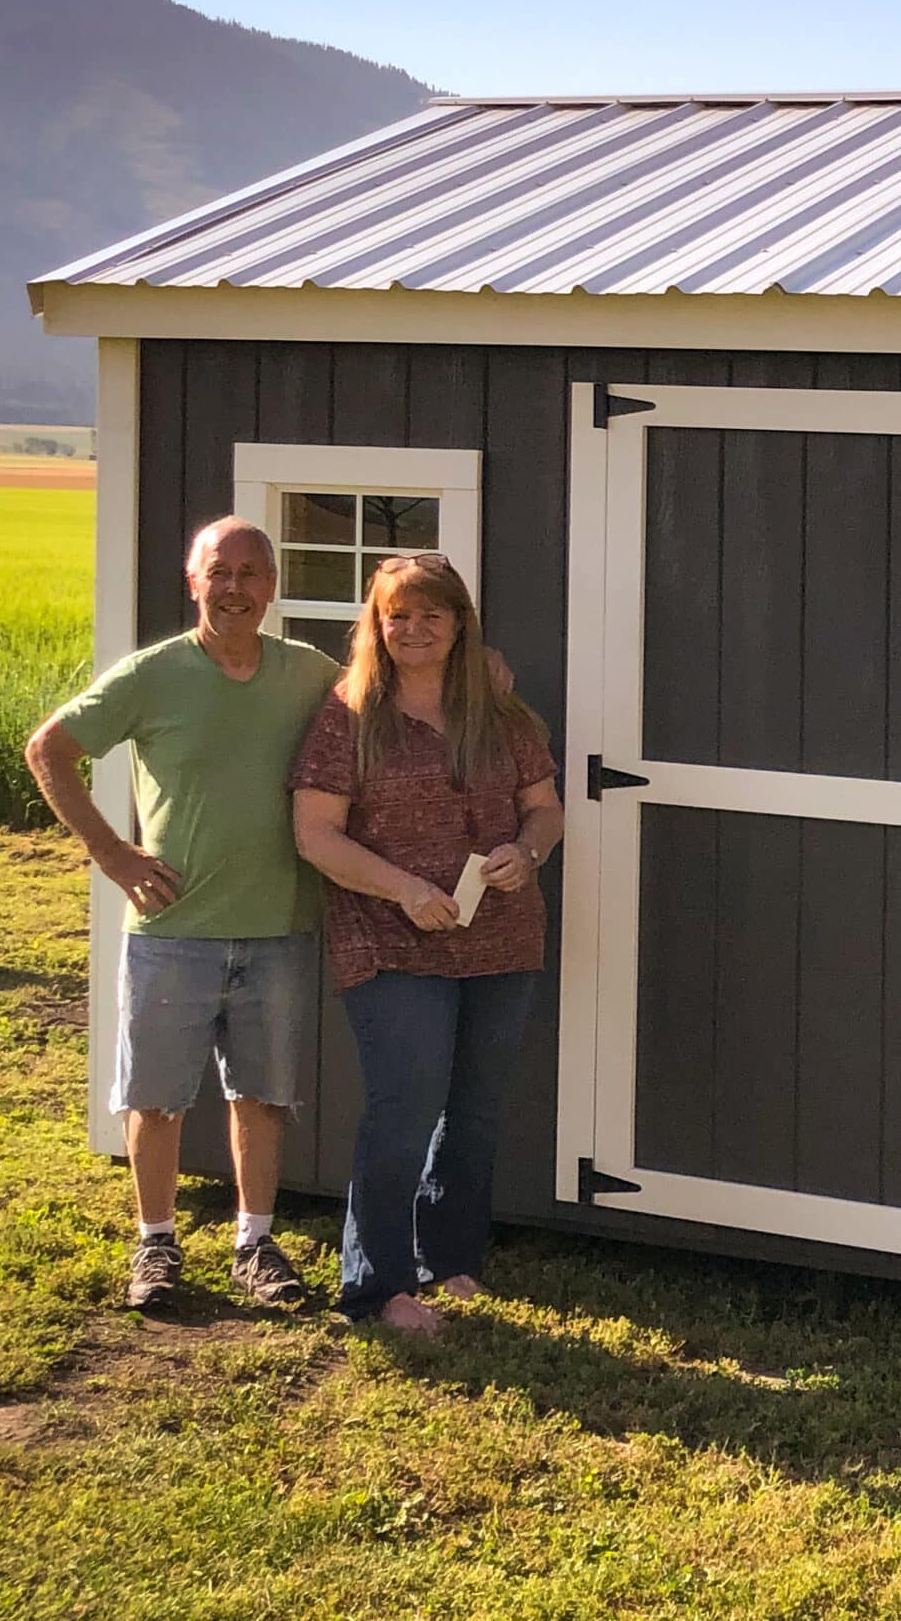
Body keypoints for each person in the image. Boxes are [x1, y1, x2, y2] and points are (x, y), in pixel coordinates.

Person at [26, 517, 329, 1311]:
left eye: (251, 573)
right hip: (171, 932)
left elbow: (395, 695)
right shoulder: (152, 676)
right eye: (218, 573)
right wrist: (112, 855)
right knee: (155, 1097)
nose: (235, 589)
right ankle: (155, 1246)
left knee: (261, 1095)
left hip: (278, 924)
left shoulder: (311, 675)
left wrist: (487, 672)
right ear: (193, 583)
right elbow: (48, 750)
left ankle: (255, 1244)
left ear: (272, 585)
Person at [291, 553, 561, 1333]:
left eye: (431, 615)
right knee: (405, 1109)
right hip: (390, 942)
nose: (413, 629)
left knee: (473, 1110)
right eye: (397, 615)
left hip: (502, 939)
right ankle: (376, 1285)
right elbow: (316, 837)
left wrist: (529, 850)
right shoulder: (347, 717)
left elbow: (544, 809)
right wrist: (403, 889)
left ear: (459, 624)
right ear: (376, 625)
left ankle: (450, 1261)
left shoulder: (501, 714)